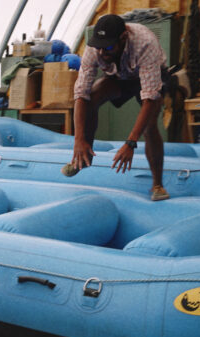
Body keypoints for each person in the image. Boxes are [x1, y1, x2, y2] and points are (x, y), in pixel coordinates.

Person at [67, 14, 172, 201]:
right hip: (120, 77)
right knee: (92, 96)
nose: (101, 53)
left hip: (148, 77)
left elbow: (149, 99)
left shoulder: (145, 43)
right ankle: (85, 155)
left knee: (149, 126)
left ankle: (158, 185)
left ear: (123, 38)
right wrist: (79, 139)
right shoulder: (95, 49)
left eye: (108, 47)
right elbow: (80, 95)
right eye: (99, 47)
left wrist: (130, 143)